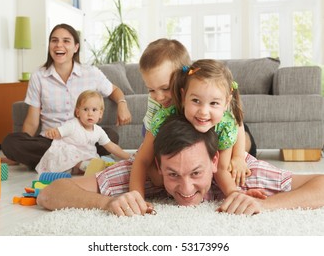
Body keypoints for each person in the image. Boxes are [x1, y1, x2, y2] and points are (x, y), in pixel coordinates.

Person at [37, 114, 324, 216]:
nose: (186, 188)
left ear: (214, 163)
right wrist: (104, 203)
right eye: (173, 174)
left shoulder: (238, 171)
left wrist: (266, 205)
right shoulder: (141, 168)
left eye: (196, 173)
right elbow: (49, 193)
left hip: (227, 128)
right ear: (158, 166)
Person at [129, 42, 251, 200]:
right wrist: (136, 193)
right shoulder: (160, 111)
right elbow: (143, 157)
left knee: (243, 144)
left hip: (226, 130)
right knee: (157, 178)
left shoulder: (213, 101)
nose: (158, 97)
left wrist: (239, 157)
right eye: (151, 90)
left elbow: (237, 123)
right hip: (156, 128)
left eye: (166, 88)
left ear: (182, 78)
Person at [1, 23, 131, 169]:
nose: (59, 45)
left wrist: (122, 103)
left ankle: (59, 162)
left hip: (83, 140)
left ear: (76, 47)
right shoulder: (39, 76)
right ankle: (80, 163)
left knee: (110, 136)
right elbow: (32, 122)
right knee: (10, 142)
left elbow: (114, 90)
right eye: (54, 40)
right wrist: (20, 149)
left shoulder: (91, 73)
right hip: (51, 141)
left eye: (66, 41)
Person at [35, 90, 131, 175]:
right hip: (66, 156)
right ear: (78, 112)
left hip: (85, 155)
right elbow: (59, 131)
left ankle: (85, 168)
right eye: (85, 109)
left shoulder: (98, 131)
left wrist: (128, 157)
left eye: (94, 110)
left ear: (100, 114)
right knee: (73, 155)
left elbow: (112, 146)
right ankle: (83, 167)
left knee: (95, 160)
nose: (90, 113)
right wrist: (53, 132)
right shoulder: (72, 125)